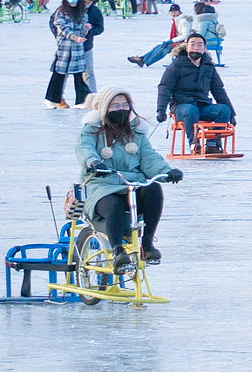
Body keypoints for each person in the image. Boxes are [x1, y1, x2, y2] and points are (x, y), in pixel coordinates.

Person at [78, 90, 183, 263]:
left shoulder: (135, 133)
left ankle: (147, 243)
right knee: (115, 205)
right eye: (116, 106)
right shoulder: (92, 131)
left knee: (153, 189)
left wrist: (166, 172)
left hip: (132, 184)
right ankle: (117, 250)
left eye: (126, 105)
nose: (122, 109)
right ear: (105, 108)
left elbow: (148, 157)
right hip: (102, 185)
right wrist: (94, 163)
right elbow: (85, 149)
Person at [154, 33, 235, 144]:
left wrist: (232, 113)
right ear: (186, 47)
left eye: (199, 45)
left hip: (203, 105)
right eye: (192, 44)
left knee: (223, 110)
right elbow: (165, 88)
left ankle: (212, 144)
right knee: (191, 111)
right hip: (181, 107)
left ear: (204, 49)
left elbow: (219, 90)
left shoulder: (209, 67)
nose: (196, 47)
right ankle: (194, 143)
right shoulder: (176, 67)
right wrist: (161, 110)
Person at [46, 0, 105, 108]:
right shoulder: (61, 10)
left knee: (83, 73)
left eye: (89, 3)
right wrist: (66, 37)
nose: (87, 4)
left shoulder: (87, 12)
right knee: (61, 73)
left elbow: (91, 28)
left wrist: (88, 29)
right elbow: (59, 25)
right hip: (65, 47)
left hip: (82, 47)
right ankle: (55, 98)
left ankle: (86, 99)